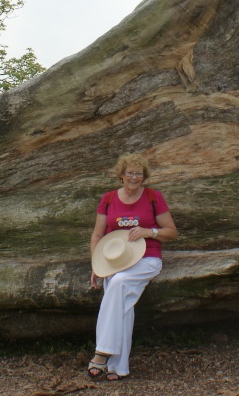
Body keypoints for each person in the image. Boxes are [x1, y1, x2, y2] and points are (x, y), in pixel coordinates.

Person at [88, 153, 177, 381]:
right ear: (121, 175)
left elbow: (171, 232)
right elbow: (97, 234)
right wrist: (96, 265)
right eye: (130, 173)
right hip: (115, 259)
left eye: (139, 173)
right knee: (123, 307)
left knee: (118, 283)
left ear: (144, 176)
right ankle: (118, 368)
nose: (134, 177)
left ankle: (101, 352)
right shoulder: (108, 198)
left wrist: (150, 232)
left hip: (147, 259)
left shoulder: (153, 197)